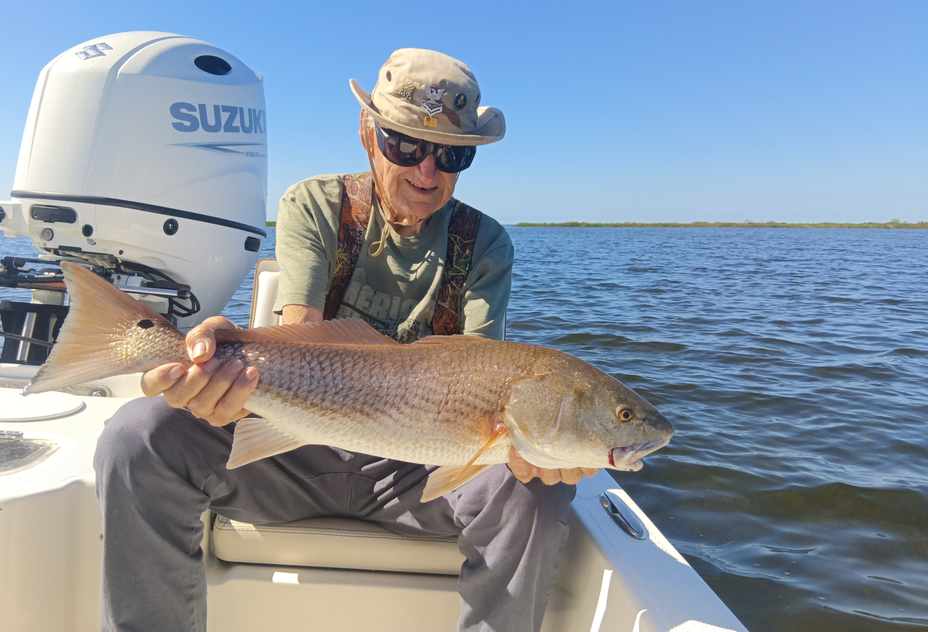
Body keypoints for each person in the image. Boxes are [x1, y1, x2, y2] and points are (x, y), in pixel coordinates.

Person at [94, 49, 598, 632]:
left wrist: (541, 451)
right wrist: (222, 363)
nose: (427, 172)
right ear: (367, 131)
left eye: (452, 153)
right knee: (136, 437)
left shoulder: (485, 244)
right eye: (406, 146)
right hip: (295, 448)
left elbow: (490, 375)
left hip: (415, 471)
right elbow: (302, 332)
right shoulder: (315, 204)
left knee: (535, 491)